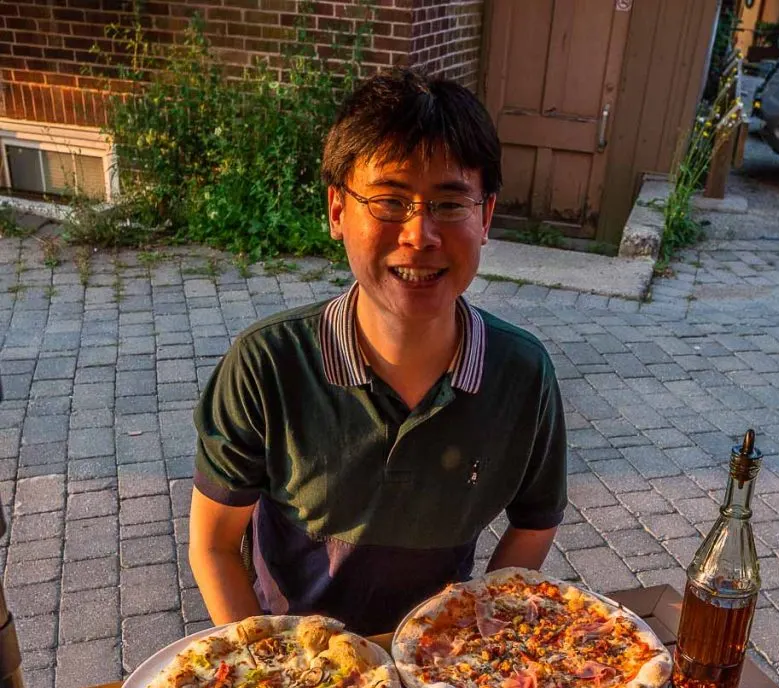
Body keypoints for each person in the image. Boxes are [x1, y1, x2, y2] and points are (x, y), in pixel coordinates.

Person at [189, 67, 567, 636]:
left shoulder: (523, 373)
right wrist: (267, 666)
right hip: (300, 661)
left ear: (485, 216)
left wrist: (476, 630)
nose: (420, 235)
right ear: (338, 210)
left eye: (448, 203)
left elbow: (536, 521)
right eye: (390, 201)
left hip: (443, 666)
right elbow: (214, 546)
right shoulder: (266, 366)